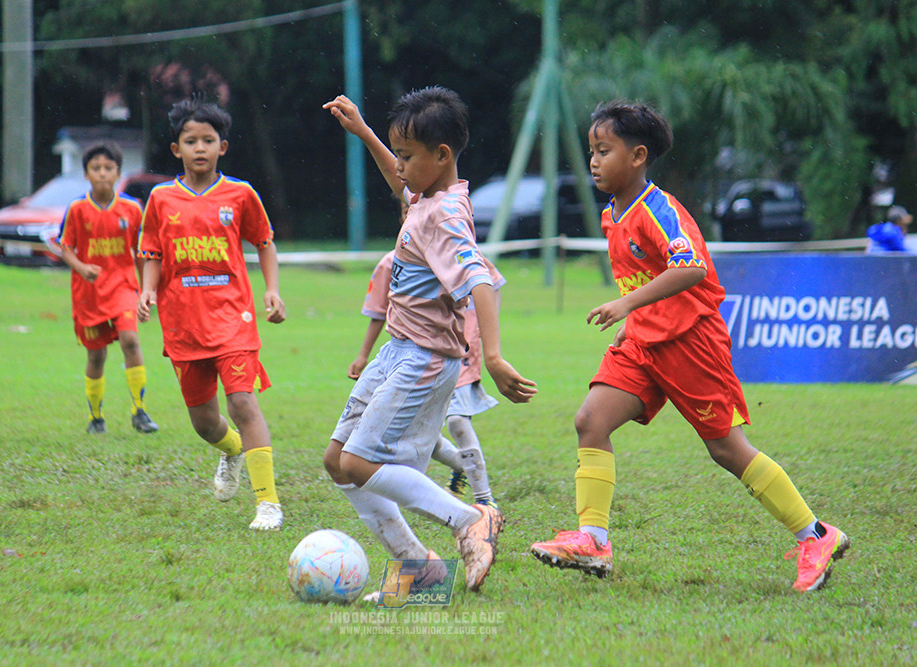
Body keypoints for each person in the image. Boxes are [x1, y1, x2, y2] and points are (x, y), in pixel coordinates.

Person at [529, 101, 849, 593]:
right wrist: (633, 318)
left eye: (603, 150)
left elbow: (691, 268)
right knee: (591, 420)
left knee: (725, 448)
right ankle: (593, 541)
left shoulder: (659, 210)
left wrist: (626, 304)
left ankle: (817, 536)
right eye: (591, 150)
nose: (593, 161)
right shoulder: (613, 212)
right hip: (643, 342)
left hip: (690, 343)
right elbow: (648, 275)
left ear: (638, 156)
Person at [322, 87, 536, 593]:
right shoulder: (428, 196)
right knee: (338, 463)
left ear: (441, 156)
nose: (398, 166)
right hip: (395, 350)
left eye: (406, 156)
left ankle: (470, 519)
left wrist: (496, 356)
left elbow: (479, 278)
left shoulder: (445, 217)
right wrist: (365, 133)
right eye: (396, 154)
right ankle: (421, 570)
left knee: (359, 462)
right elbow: (402, 185)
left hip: (424, 358)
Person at [137, 98, 286, 531]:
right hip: (182, 322)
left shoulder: (240, 194)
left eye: (207, 140)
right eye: (190, 141)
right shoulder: (162, 199)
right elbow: (152, 251)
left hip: (232, 319)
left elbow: (264, 242)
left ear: (222, 146)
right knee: (204, 422)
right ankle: (232, 449)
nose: (199, 148)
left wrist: (272, 290)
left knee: (242, 401)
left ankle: (268, 504)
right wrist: (146, 290)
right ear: (175, 149)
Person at [349, 247, 505, 508]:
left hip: (459, 352)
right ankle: (461, 464)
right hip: (412, 360)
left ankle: (485, 500)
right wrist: (363, 355)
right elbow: (378, 311)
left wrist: (480, 331)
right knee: (420, 436)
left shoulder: (460, 250)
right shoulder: (391, 263)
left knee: (457, 421)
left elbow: (492, 284)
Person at [58, 141, 159, 435]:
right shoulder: (77, 209)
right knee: (96, 355)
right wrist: (82, 267)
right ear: (86, 174)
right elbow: (65, 248)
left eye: (108, 168)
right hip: (88, 295)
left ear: (118, 173)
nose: (102, 173)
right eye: (96, 168)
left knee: (130, 341)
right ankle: (96, 417)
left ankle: (139, 412)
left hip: (123, 288)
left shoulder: (131, 208)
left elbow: (141, 253)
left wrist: (144, 291)